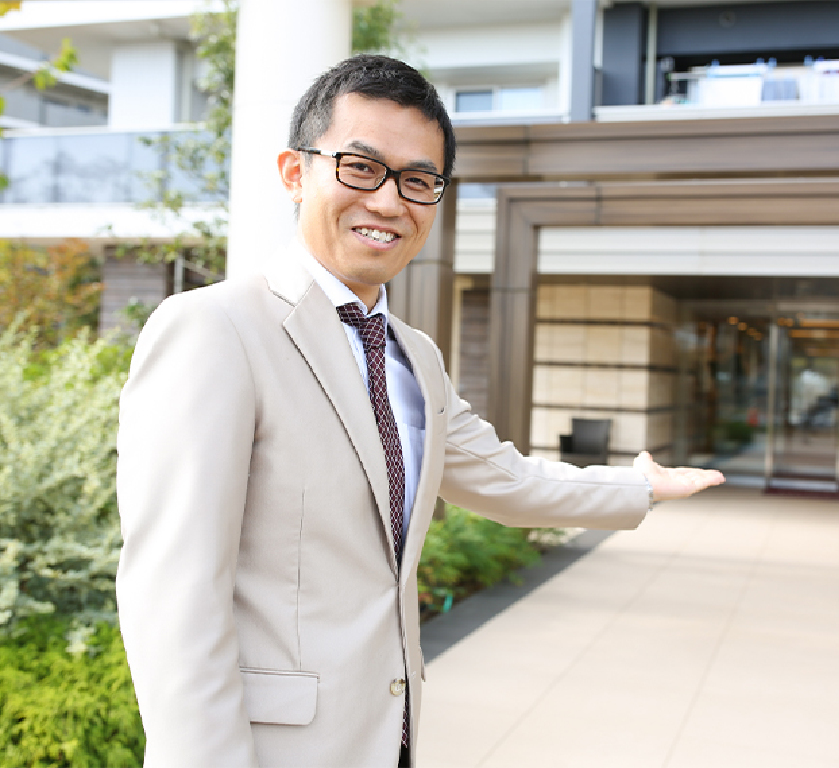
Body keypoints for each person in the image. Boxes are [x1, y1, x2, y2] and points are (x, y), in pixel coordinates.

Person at [115, 54, 724, 768]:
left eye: (418, 181)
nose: (387, 202)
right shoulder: (215, 328)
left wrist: (638, 486)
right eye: (360, 167)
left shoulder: (414, 356)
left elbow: (506, 479)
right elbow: (174, 595)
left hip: (387, 737)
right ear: (294, 172)